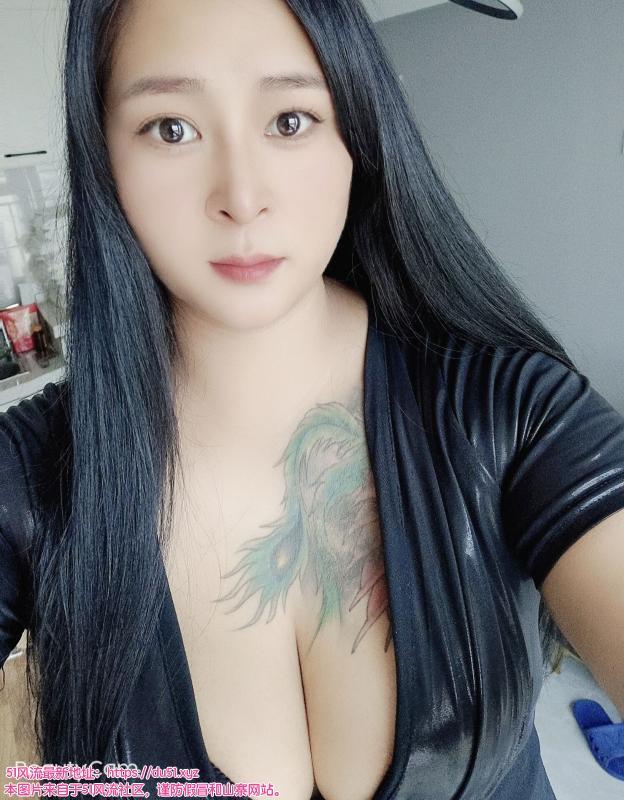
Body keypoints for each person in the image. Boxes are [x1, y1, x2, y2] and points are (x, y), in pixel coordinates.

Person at [1, 1, 623, 798]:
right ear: (103, 156)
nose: (242, 196)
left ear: (356, 134)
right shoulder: (29, 477)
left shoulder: (515, 413)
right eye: (171, 128)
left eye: (290, 120)